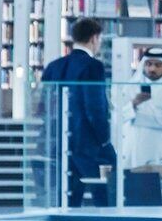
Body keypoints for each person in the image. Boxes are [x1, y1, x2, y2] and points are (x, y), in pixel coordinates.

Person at [37, 17, 112, 207]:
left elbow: (44, 107)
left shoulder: (54, 66)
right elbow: (95, 107)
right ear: (94, 38)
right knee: (107, 193)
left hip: (59, 143)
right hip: (88, 143)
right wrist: (104, 138)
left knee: (68, 199)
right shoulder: (93, 67)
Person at [114, 49, 162, 207]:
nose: (152, 69)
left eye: (157, 65)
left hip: (160, 148)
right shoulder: (131, 87)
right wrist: (134, 104)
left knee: (161, 196)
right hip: (134, 148)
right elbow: (118, 116)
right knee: (132, 194)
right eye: (148, 64)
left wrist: (137, 117)